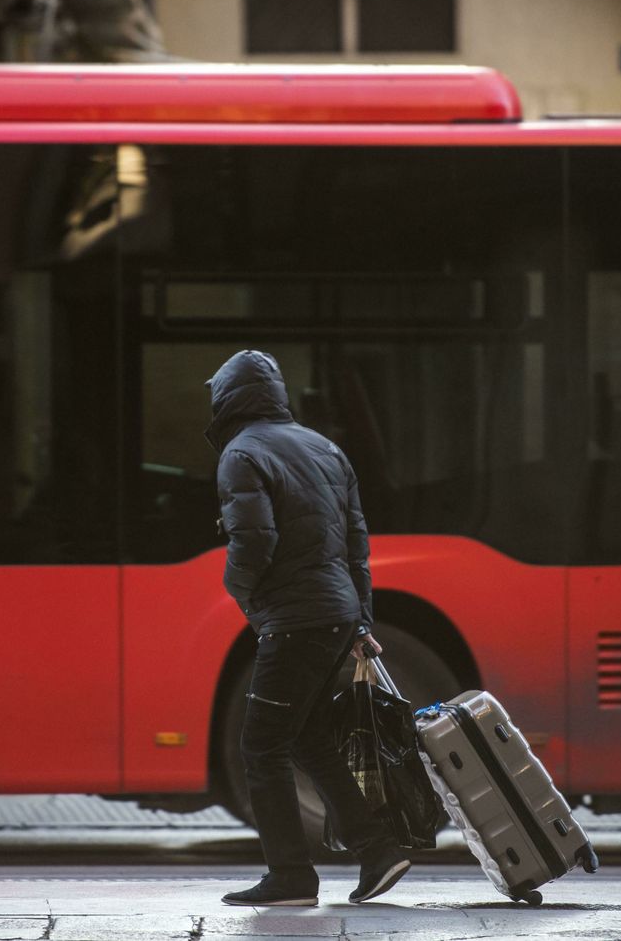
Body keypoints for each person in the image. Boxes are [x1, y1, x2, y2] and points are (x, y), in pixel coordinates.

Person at [204, 349, 412, 907]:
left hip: (296, 619)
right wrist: (361, 618)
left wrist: (242, 591)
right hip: (336, 613)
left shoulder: (241, 453)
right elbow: (356, 543)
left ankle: (291, 876)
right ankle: (378, 851)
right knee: (309, 737)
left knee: (262, 745)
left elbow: (253, 543)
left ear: (228, 398)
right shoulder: (325, 448)